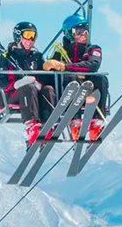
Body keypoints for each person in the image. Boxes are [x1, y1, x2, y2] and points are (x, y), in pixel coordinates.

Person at [42, 13, 109, 141]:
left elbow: (93, 65)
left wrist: (64, 67)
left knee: (100, 78)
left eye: (86, 31)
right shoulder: (59, 52)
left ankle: (96, 123)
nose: (84, 35)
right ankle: (75, 121)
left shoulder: (93, 49)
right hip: (67, 95)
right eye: (79, 31)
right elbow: (50, 74)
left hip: (88, 94)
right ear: (69, 33)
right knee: (70, 79)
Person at [0, 21, 56, 147]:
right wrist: (18, 84)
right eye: (27, 35)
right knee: (27, 87)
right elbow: (1, 82)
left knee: (49, 89)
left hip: (34, 94)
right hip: (13, 95)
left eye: (34, 36)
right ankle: (31, 125)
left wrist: (49, 71)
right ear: (18, 36)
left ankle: (47, 125)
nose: (31, 40)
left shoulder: (37, 56)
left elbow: (45, 79)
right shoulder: (8, 56)